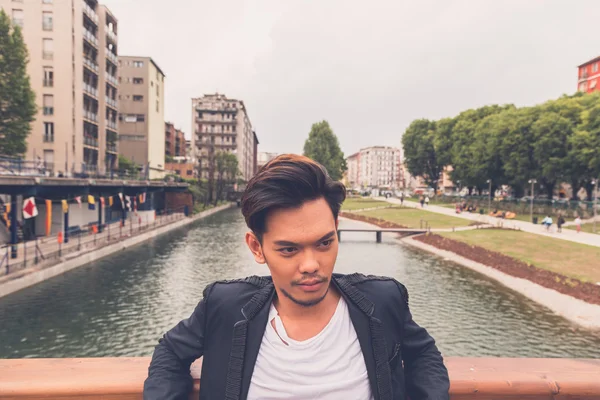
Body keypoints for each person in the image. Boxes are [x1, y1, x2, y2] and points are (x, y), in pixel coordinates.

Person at [144, 155, 449, 400]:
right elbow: (170, 352)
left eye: (325, 243)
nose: (311, 265)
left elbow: (423, 352)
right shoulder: (223, 306)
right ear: (256, 247)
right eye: (289, 249)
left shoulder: (383, 300)